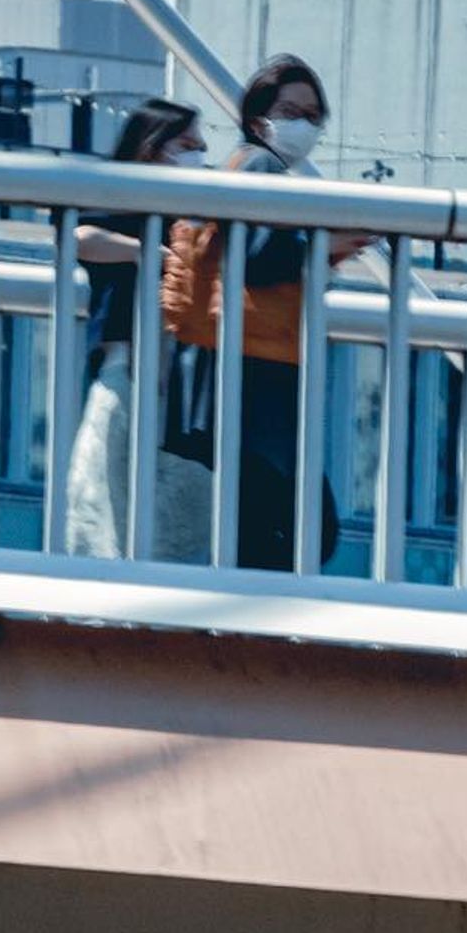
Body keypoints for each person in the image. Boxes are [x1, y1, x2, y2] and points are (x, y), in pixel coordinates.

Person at [163, 52, 368, 571]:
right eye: (291, 111)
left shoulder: (251, 166)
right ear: (259, 118)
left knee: (262, 519)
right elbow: (255, 257)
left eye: (313, 116)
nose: (304, 125)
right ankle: (251, 632)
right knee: (295, 526)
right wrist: (327, 245)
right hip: (252, 367)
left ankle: (245, 628)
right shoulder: (259, 165)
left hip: (241, 363)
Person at [60, 95, 213, 561]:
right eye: (187, 144)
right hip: (126, 365)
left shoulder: (191, 215)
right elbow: (77, 237)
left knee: (165, 501)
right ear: (152, 146)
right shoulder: (121, 197)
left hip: (180, 380)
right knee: (106, 493)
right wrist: (144, 251)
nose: (199, 155)